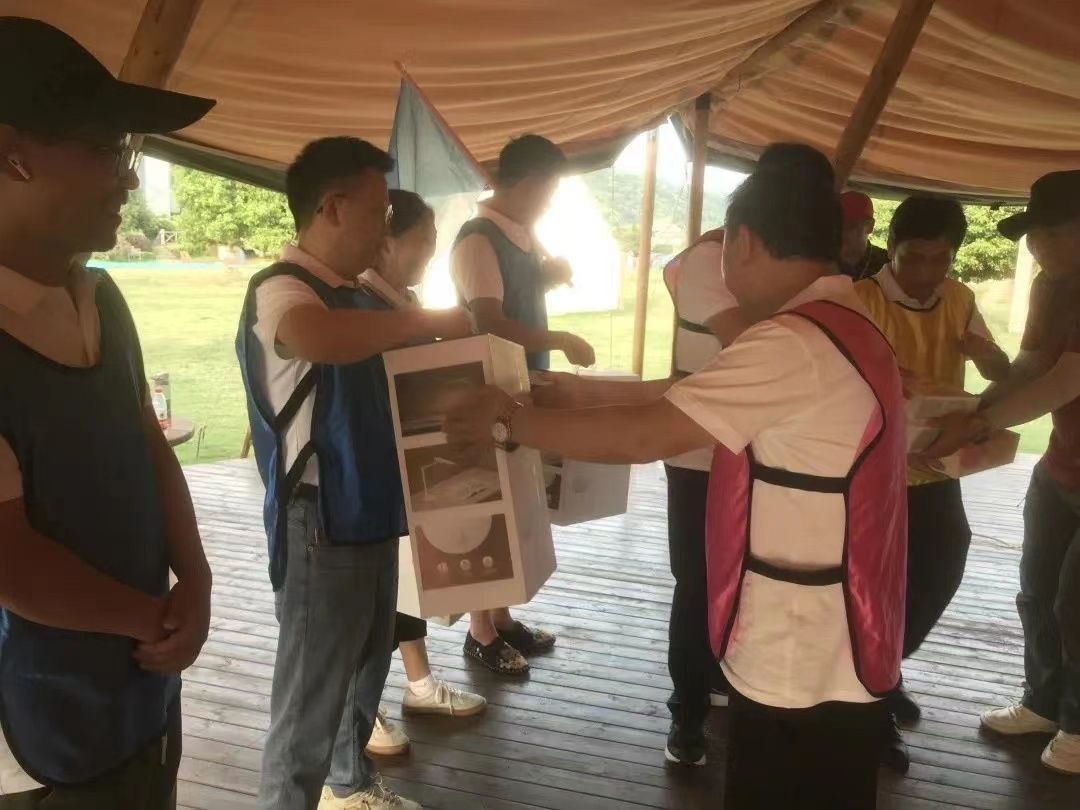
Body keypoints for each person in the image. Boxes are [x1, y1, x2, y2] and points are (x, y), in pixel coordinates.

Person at [445, 144, 907, 810]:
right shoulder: (844, 320)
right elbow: (690, 393)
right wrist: (577, 393)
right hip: (838, 636)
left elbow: (649, 434)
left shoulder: (791, 343)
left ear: (743, 243)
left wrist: (509, 421)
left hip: (800, 649)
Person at [0, 17, 214, 809]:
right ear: (11, 153)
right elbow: (11, 560)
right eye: (106, 150)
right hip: (37, 737)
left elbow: (145, 442)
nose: (126, 180)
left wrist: (195, 576)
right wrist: (156, 617)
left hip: (137, 688)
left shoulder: (100, 299)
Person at [237, 138, 474, 810]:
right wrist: (426, 320)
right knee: (309, 698)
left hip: (369, 509)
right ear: (333, 207)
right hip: (319, 519)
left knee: (368, 658)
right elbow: (320, 338)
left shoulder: (358, 297)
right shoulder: (282, 290)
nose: (383, 230)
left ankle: (349, 785)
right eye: (376, 213)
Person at [926, 170, 1080, 776]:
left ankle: (1079, 723)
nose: (1035, 245)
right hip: (1063, 463)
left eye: (1049, 232)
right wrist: (976, 411)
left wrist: (979, 426)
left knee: (1076, 603)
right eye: (1031, 234)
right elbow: (1033, 363)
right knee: (1037, 589)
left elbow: (1066, 380)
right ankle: (1044, 703)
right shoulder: (1051, 285)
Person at [853, 195, 1010, 771]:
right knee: (875, 586)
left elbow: (1000, 370)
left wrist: (988, 356)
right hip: (873, 470)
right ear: (891, 248)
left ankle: (882, 672)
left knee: (943, 561)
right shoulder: (861, 300)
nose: (925, 272)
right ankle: (870, 704)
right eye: (913, 258)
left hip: (937, 465)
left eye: (939, 260)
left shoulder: (960, 299)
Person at [450, 134, 592, 676]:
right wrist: (560, 339)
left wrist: (545, 278)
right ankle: (479, 632)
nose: (550, 202)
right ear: (532, 183)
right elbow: (488, 321)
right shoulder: (478, 240)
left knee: (515, 505)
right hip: (492, 390)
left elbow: (514, 299)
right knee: (492, 504)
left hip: (518, 386)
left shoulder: (519, 237)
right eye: (550, 191)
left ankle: (502, 618)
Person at [355, 190, 487, 759]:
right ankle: (360, 712)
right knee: (367, 602)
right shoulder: (362, 305)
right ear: (385, 240)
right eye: (424, 238)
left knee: (406, 581)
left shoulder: (399, 300)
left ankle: (419, 684)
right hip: (365, 479)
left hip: (406, 470)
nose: (432, 249)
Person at [839, 190, 890, 281]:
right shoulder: (820, 260)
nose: (841, 232)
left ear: (870, 226)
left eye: (850, 226)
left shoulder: (887, 265)